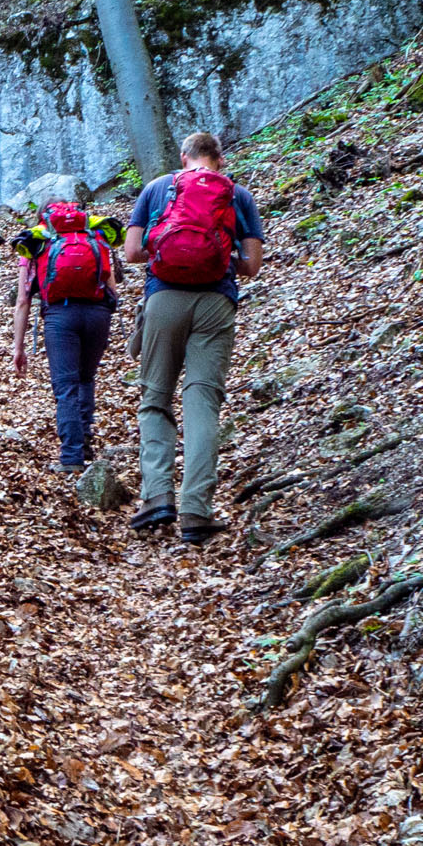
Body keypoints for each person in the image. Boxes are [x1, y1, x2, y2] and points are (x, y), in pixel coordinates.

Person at [121, 132, 265, 544]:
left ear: (183, 158)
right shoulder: (238, 195)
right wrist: (218, 256)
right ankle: (196, 510)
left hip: (163, 299)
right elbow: (252, 265)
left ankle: (156, 497)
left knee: (155, 398)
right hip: (216, 303)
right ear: (219, 159)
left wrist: (168, 250)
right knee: (202, 399)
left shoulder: (156, 188)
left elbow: (131, 253)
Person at [11, 199, 123, 471]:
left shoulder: (36, 242)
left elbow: (23, 299)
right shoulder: (94, 235)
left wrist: (18, 347)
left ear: (43, 218)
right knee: (86, 379)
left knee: (66, 387)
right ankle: (84, 442)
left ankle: (72, 457)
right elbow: (111, 286)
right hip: (98, 314)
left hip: (60, 317)